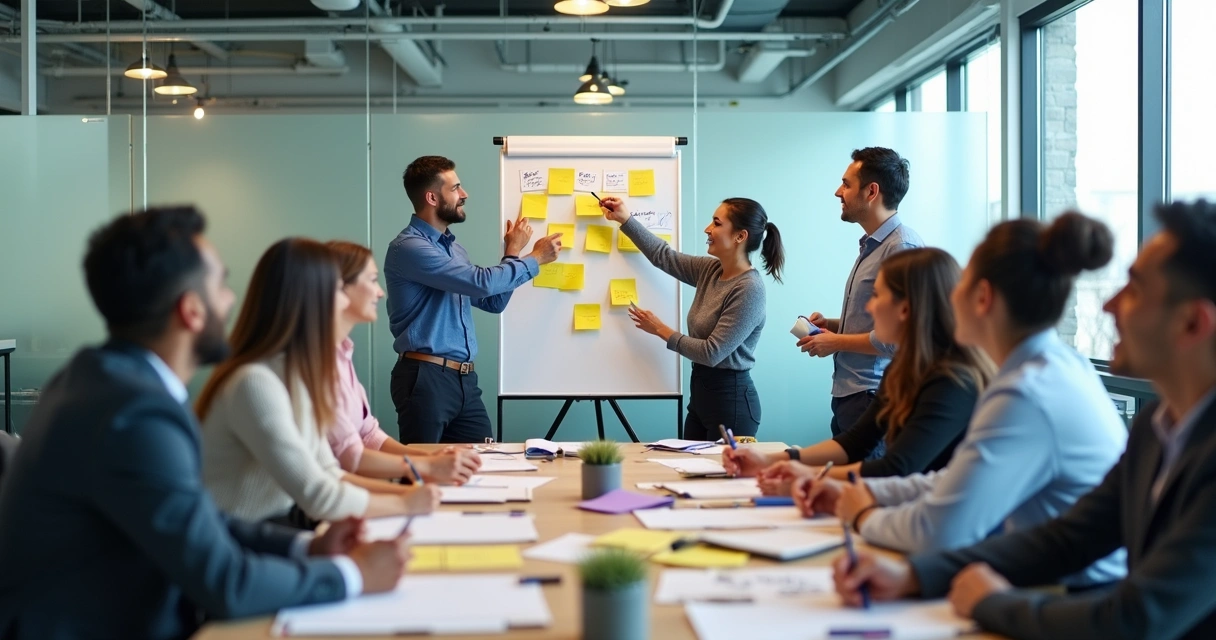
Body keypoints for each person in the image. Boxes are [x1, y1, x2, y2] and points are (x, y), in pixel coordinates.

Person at [0, 207, 409, 639]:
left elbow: (201, 518)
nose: (232, 300)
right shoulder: (134, 414)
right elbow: (225, 583)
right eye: (221, 285)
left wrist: (307, 546)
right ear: (191, 311)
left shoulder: (99, 380)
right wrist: (353, 576)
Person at [833, 200, 1216, 640]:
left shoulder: (1032, 390)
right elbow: (1068, 538)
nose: (1109, 305)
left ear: (1192, 324)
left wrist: (992, 603)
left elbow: (1138, 619)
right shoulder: (1158, 424)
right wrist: (917, 575)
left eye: (1134, 290)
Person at [799, 212, 1129, 590]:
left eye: (962, 281)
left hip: (1070, 600)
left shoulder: (1026, 393)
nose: (949, 295)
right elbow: (955, 483)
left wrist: (865, 515)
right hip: (1044, 583)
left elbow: (941, 530)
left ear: (983, 297)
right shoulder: (1049, 367)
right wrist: (866, 492)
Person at [198, 238, 439, 527]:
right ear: (314, 298)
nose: (344, 300)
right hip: (237, 543)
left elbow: (327, 472)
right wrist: (405, 501)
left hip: (267, 531)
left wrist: (413, 494)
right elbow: (317, 494)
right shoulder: (256, 382)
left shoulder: (293, 373)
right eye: (338, 289)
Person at [723, 247, 992, 483]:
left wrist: (802, 473)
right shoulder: (902, 371)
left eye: (876, 296)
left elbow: (896, 468)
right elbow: (855, 443)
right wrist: (775, 460)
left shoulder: (952, 381)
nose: (870, 308)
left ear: (905, 309)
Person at [385, 156, 562, 443]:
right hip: (426, 377)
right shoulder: (410, 248)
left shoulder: (455, 250)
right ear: (432, 197)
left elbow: (493, 302)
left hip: (464, 379)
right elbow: (481, 283)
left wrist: (513, 251)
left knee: (483, 467)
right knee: (424, 473)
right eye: (455, 188)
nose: (464, 194)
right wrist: (535, 258)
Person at [598, 196, 783, 440]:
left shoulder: (749, 289)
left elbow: (712, 353)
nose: (708, 229)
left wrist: (660, 329)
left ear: (740, 236)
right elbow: (663, 255)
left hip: (731, 402)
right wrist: (625, 218)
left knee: (722, 478)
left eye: (717, 223)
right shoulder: (711, 270)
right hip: (701, 395)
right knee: (691, 472)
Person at [326, 240, 482, 482]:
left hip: (463, 379)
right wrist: (421, 472)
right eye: (372, 280)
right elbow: (346, 459)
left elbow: (368, 435)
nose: (380, 292)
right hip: (283, 519)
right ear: (339, 287)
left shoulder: (342, 355)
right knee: (420, 484)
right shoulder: (311, 365)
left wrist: (429, 459)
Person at [802, 148, 925, 453]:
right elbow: (876, 320)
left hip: (873, 396)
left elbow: (900, 339)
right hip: (852, 396)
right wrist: (832, 325)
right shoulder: (872, 246)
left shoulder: (901, 248)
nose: (837, 192)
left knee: (865, 492)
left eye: (846, 184)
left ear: (871, 192)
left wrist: (837, 341)